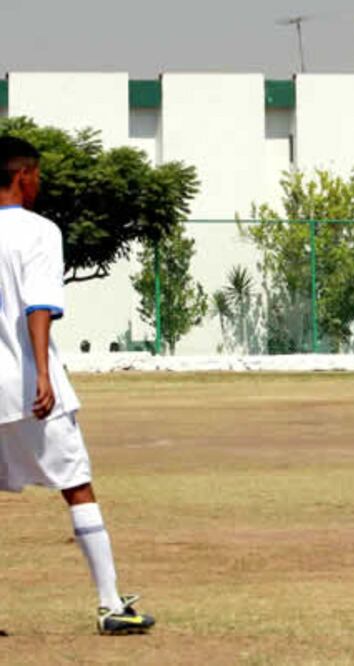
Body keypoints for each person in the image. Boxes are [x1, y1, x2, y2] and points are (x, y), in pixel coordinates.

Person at [0, 136, 155, 635]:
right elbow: (37, 306)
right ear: (22, 176)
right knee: (77, 486)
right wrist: (44, 373)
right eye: (37, 174)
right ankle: (111, 604)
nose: (39, 182)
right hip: (25, 382)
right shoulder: (39, 231)